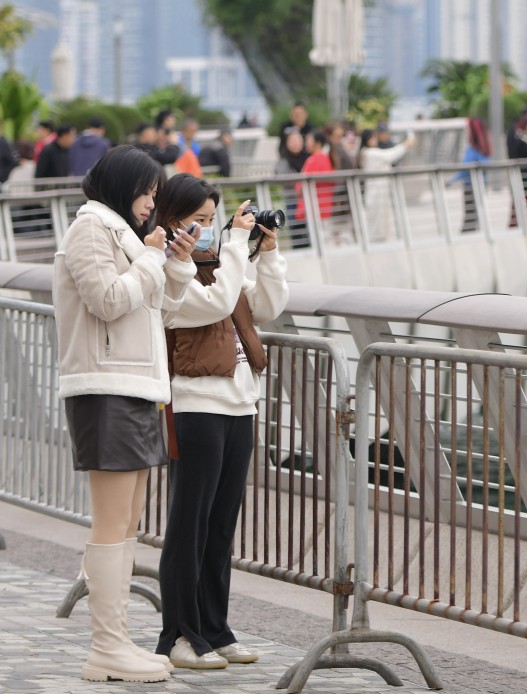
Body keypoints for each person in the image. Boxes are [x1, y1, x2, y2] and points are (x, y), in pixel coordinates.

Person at [52, 145, 198, 683]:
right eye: (147, 192)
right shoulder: (91, 228)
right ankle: (106, 647)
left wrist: (175, 260)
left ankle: (116, 640)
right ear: (121, 185)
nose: (150, 203)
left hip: (133, 385)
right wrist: (154, 258)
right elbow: (109, 300)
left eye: (155, 195)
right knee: (112, 522)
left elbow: (161, 307)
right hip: (105, 386)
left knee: (128, 519)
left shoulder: (122, 234)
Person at [154, 174, 288, 669]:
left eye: (213, 219)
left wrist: (266, 253)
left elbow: (269, 306)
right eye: (200, 221)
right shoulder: (170, 269)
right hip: (194, 406)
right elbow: (213, 302)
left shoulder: (222, 262)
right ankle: (179, 636)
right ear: (171, 221)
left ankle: (215, 628)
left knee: (220, 525)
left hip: (239, 403)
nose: (208, 229)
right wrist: (235, 244)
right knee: (189, 524)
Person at [359, 127, 415, 242]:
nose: (375, 139)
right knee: (377, 224)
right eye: (372, 137)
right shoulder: (370, 153)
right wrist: (406, 144)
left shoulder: (369, 152)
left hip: (379, 192)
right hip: (376, 193)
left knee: (381, 222)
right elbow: (390, 155)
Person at [449, 116, 492, 233]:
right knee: (475, 212)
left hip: (471, 185)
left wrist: (451, 181)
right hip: (481, 184)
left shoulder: (473, 149)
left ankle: (468, 233)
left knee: (470, 213)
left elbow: (465, 168)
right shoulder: (484, 147)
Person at [295, 131, 335, 238]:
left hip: (315, 207)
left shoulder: (315, 159)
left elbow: (301, 184)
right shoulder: (325, 158)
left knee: (318, 237)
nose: (306, 143)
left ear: (317, 143)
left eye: (309, 140)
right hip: (323, 205)